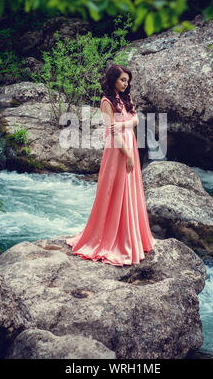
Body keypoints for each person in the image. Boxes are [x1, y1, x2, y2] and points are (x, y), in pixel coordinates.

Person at [65, 63, 156, 266]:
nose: (126, 84)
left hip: (129, 143)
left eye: (127, 81)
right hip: (118, 150)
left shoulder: (126, 98)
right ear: (113, 79)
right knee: (115, 191)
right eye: (123, 80)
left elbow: (135, 121)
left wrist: (123, 125)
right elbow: (113, 132)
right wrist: (129, 155)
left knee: (130, 191)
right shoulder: (106, 101)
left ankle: (132, 237)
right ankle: (110, 239)